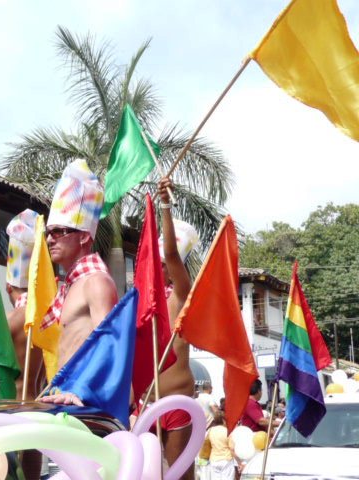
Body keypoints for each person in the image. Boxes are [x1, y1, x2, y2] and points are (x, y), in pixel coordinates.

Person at [40, 159, 118, 406]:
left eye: (59, 232)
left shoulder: (96, 281)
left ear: (84, 236)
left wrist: (81, 392)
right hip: (65, 397)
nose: (51, 239)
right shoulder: (73, 285)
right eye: (48, 233)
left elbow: (110, 350)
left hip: (84, 402)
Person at [143, 176, 198, 480]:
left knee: (179, 477)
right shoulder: (145, 301)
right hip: (146, 405)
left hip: (177, 403)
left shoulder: (182, 295)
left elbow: (171, 254)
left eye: (164, 263)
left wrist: (164, 205)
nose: (161, 265)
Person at [5, 209, 45, 400]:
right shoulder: (48, 317)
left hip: (14, 408)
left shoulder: (11, 320)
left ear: (8, 287)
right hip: (38, 404)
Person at [206, 411, 237, 480]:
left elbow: (207, 444)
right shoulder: (227, 431)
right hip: (226, 460)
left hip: (214, 460)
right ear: (223, 420)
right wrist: (239, 462)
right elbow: (232, 448)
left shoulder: (210, 430)